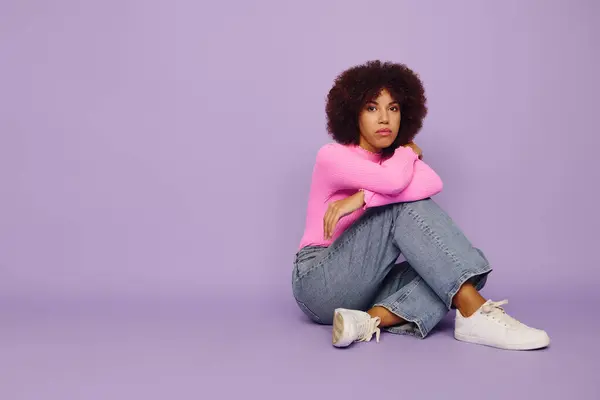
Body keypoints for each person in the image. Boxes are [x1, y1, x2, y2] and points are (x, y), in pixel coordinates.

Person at [291, 60, 550, 351]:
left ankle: (366, 321)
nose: (385, 119)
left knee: (452, 267)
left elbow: (431, 183)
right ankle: (475, 313)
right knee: (403, 210)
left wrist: (365, 195)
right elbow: (393, 185)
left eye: (393, 108)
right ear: (354, 114)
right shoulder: (332, 156)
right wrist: (406, 154)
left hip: (367, 286)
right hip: (318, 281)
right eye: (372, 108)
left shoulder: (395, 163)